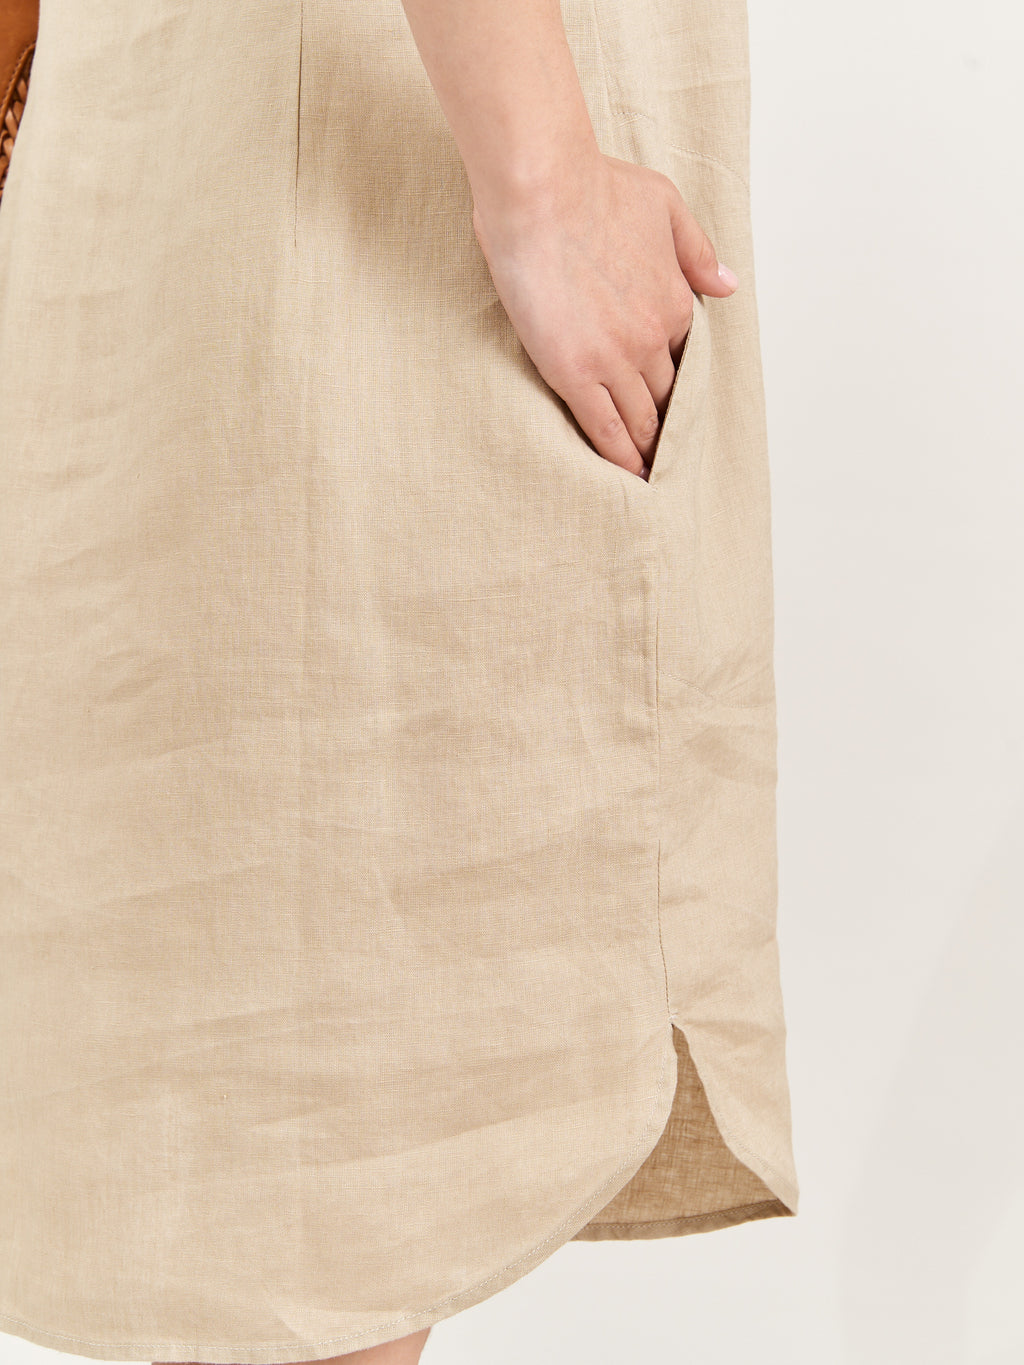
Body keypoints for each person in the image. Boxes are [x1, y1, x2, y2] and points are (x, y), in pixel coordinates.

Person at [0, 1, 799, 1363]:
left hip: (215, 159)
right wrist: (543, 180)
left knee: (262, 1158)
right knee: (310, 1172)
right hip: (352, 203)